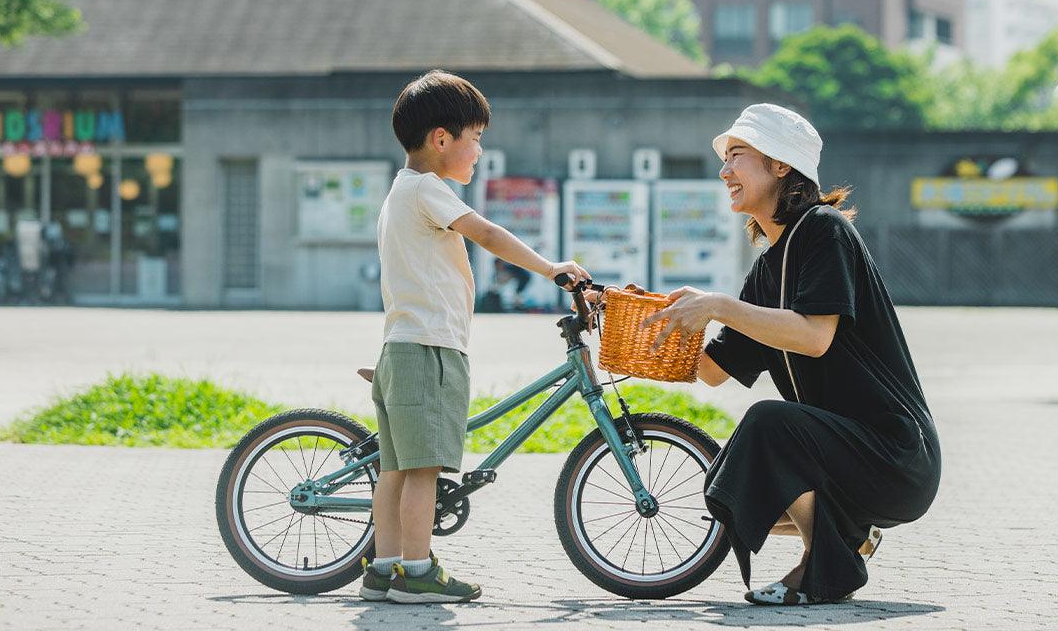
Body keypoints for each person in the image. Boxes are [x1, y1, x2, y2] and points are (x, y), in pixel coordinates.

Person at [642, 103, 941, 606]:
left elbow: (813, 336)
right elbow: (711, 371)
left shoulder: (824, 230)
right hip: (841, 455)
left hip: (896, 456)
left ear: (781, 165)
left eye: (737, 155)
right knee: (728, 482)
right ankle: (850, 539)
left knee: (768, 424)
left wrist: (718, 305)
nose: (724, 171)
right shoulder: (766, 271)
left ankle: (826, 567)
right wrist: (635, 323)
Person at [360, 70, 590, 604]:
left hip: (402, 344)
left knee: (394, 469)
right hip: (430, 348)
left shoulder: (400, 192)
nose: (481, 150)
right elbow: (485, 233)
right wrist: (550, 268)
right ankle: (417, 574)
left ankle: (384, 569)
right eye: (476, 139)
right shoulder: (427, 189)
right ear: (442, 139)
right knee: (423, 470)